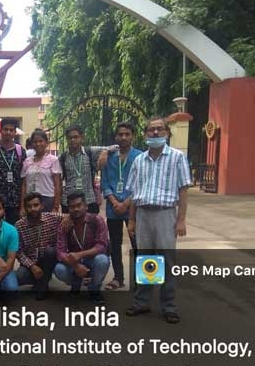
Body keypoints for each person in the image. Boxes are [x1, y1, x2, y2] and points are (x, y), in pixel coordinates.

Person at [125, 116, 191, 324]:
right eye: (151, 130)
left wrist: (181, 220)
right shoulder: (139, 160)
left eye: (160, 129)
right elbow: (134, 193)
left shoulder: (177, 157)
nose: (155, 133)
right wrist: (132, 220)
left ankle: (169, 306)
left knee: (167, 260)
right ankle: (142, 302)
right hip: (143, 215)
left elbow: (183, 190)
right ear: (145, 134)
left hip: (165, 214)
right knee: (146, 260)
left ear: (167, 133)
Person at [101, 122, 142, 290]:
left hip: (133, 207)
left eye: (127, 134)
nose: (123, 137)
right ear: (116, 137)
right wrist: (114, 201)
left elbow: (142, 183)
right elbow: (104, 182)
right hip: (113, 208)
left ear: (133, 136)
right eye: (120, 134)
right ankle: (118, 278)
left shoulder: (140, 157)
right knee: (115, 244)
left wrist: (126, 203)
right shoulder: (109, 157)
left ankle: (142, 280)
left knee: (138, 243)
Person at [54, 191, 110, 304]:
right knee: (59, 269)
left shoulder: (97, 220)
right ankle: (76, 284)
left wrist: (79, 255)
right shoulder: (64, 225)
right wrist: (75, 265)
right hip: (74, 261)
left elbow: (101, 246)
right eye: (72, 207)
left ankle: (94, 289)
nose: (76, 209)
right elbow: (60, 252)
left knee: (102, 260)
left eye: (79, 205)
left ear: (86, 206)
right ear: (68, 209)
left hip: (92, 259)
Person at [59, 124, 116, 214]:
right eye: (70, 138)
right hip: (69, 202)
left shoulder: (89, 152)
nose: (73, 140)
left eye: (75, 137)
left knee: (90, 223)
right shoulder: (63, 157)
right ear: (67, 139)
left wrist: (106, 151)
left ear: (82, 137)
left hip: (89, 200)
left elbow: (116, 147)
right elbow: (59, 180)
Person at [15, 192, 63, 300]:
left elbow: (71, 216)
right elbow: (18, 251)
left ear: (42, 206)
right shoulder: (19, 225)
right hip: (31, 263)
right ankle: (38, 280)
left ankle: (42, 287)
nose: (33, 209)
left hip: (48, 260)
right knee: (18, 277)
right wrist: (32, 266)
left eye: (36, 205)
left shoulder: (52, 218)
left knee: (50, 251)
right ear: (25, 208)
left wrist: (68, 220)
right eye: (29, 206)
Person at [20, 129, 62, 214]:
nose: (38, 144)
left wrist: (56, 206)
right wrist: (22, 207)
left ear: (46, 143)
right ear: (32, 144)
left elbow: (57, 184)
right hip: (30, 200)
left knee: (47, 222)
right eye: (35, 142)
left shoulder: (53, 160)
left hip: (47, 199)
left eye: (41, 141)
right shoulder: (27, 162)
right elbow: (24, 185)